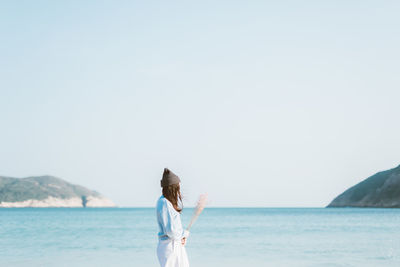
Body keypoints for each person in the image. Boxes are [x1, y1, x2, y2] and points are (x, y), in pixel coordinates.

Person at [156, 168, 190, 267]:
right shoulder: (165, 203)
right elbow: (172, 231)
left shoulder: (163, 201)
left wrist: (181, 236)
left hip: (170, 245)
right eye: (177, 187)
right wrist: (184, 234)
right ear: (173, 188)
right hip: (171, 246)